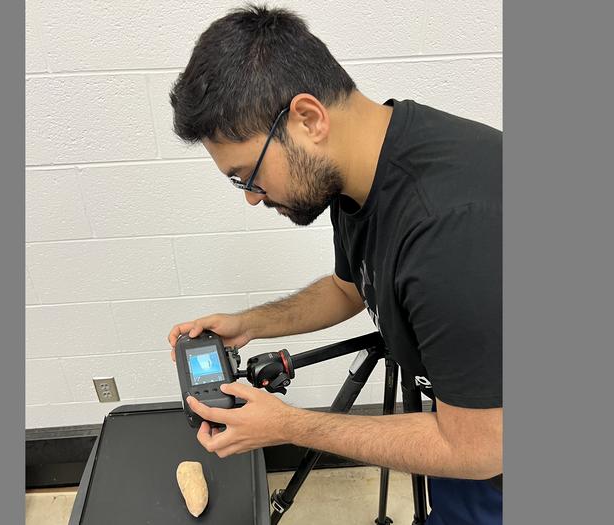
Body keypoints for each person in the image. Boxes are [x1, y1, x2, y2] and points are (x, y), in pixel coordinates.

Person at [166, 5, 502, 524]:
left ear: (308, 118)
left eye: (246, 176)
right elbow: (350, 288)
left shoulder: (450, 230)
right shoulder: (360, 172)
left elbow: (479, 448)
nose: (252, 198)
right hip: (470, 423)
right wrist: (249, 324)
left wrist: (291, 426)